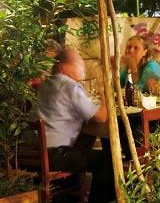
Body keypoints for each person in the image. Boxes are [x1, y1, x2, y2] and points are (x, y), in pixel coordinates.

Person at [37, 48, 114, 203]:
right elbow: (102, 116)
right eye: (79, 63)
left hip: (33, 154)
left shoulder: (44, 86)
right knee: (107, 160)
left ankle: (70, 196)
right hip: (54, 155)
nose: (83, 68)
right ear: (64, 67)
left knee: (85, 142)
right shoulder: (69, 86)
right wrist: (106, 92)